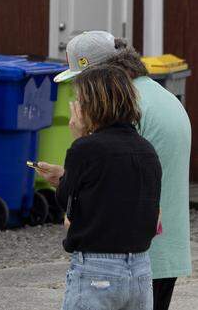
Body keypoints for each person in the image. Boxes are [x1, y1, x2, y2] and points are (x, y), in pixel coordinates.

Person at [51, 31, 192, 310]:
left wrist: (81, 149)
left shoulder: (127, 107)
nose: (79, 93)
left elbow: (103, 193)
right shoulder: (161, 96)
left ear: (101, 77)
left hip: (130, 257)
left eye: (82, 82)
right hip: (160, 254)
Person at [35, 64, 161, 310]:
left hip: (97, 268)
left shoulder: (85, 148)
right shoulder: (147, 149)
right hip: (140, 268)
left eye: (79, 101)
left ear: (92, 105)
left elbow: (70, 204)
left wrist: (77, 147)